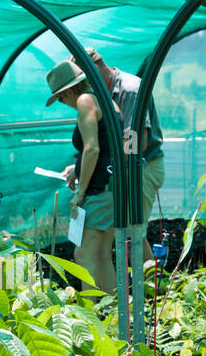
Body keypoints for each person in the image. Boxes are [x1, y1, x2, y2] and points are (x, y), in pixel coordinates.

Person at [61, 48, 166, 223]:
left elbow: (135, 144)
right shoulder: (98, 95)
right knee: (124, 233)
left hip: (142, 168)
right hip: (122, 166)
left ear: (93, 69)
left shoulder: (130, 89)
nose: (81, 87)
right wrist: (80, 166)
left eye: (83, 79)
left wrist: (95, 165)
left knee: (132, 231)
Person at [45, 58, 117, 297]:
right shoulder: (105, 99)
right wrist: (77, 169)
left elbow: (93, 149)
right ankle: (114, 315)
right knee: (102, 254)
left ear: (68, 90)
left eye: (61, 98)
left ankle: (95, 319)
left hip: (100, 189)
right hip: (113, 185)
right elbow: (107, 146)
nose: (63, 103)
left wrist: (80, 192)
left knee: (83, 254)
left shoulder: (85, 100)